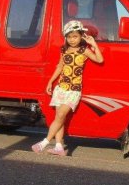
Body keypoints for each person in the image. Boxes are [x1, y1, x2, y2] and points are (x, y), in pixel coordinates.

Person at [31, 20, 104, 156]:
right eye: (69, 37)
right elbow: (60, 67)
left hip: (73, 90)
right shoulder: (64, 49)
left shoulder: (85, 50)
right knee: (60, 118)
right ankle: (59, 147)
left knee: (60, 116)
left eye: (75, 36)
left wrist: (93, 44)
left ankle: (45, 142)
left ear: (81, 36)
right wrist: (50, 82)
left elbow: (99, 60)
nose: (72, 40)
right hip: (60, 88)